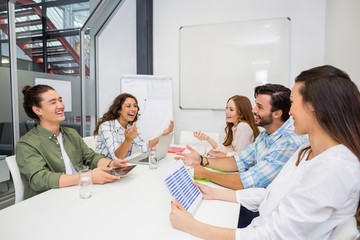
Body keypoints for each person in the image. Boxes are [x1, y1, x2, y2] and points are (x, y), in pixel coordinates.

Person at [170, 65, 360, 239]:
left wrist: (193, 226)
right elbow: (272, 194)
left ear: (314, 107)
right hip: (258, 226)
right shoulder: (306, 150)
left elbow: (273, 236)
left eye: (293, 103)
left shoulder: (334, 168)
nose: (290, 112)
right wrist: (215, 192)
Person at [175, 84, 307, 190]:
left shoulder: (288, 142)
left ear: (277, 114)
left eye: (259, 107)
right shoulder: (264, 136)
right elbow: (239, 160)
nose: (253, 110)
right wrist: (202, 160)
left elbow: (249, 181)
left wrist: (205, 173)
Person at [16, 85, 128, 200]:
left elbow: (90, 157)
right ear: (37, 110)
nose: (60, 105)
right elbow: (40, 179)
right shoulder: (27, 144)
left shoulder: (71, 133)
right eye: (53, 102)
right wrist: (86, 177)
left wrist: (111, 164)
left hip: (78, 193)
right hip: (49, 202)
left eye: (60, 100)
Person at [93, 93, 174, 159]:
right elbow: (117, 157)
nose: (133, 109)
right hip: (104, 169)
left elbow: (143, 147)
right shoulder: (106, 126)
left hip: (122, 167)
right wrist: (128, 139)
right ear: (119, 110)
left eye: (135, 106)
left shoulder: (130, 126)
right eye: (128, 106)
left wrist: (163, 134)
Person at [193, 95, 260, 157]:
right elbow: (230, 150)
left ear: (241, 113)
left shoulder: (243, 127)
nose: (226, 112)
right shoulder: (234, 127)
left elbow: (239, 156)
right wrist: (208, 139)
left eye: (231, 109)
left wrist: (220, 155)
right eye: (227, 108)